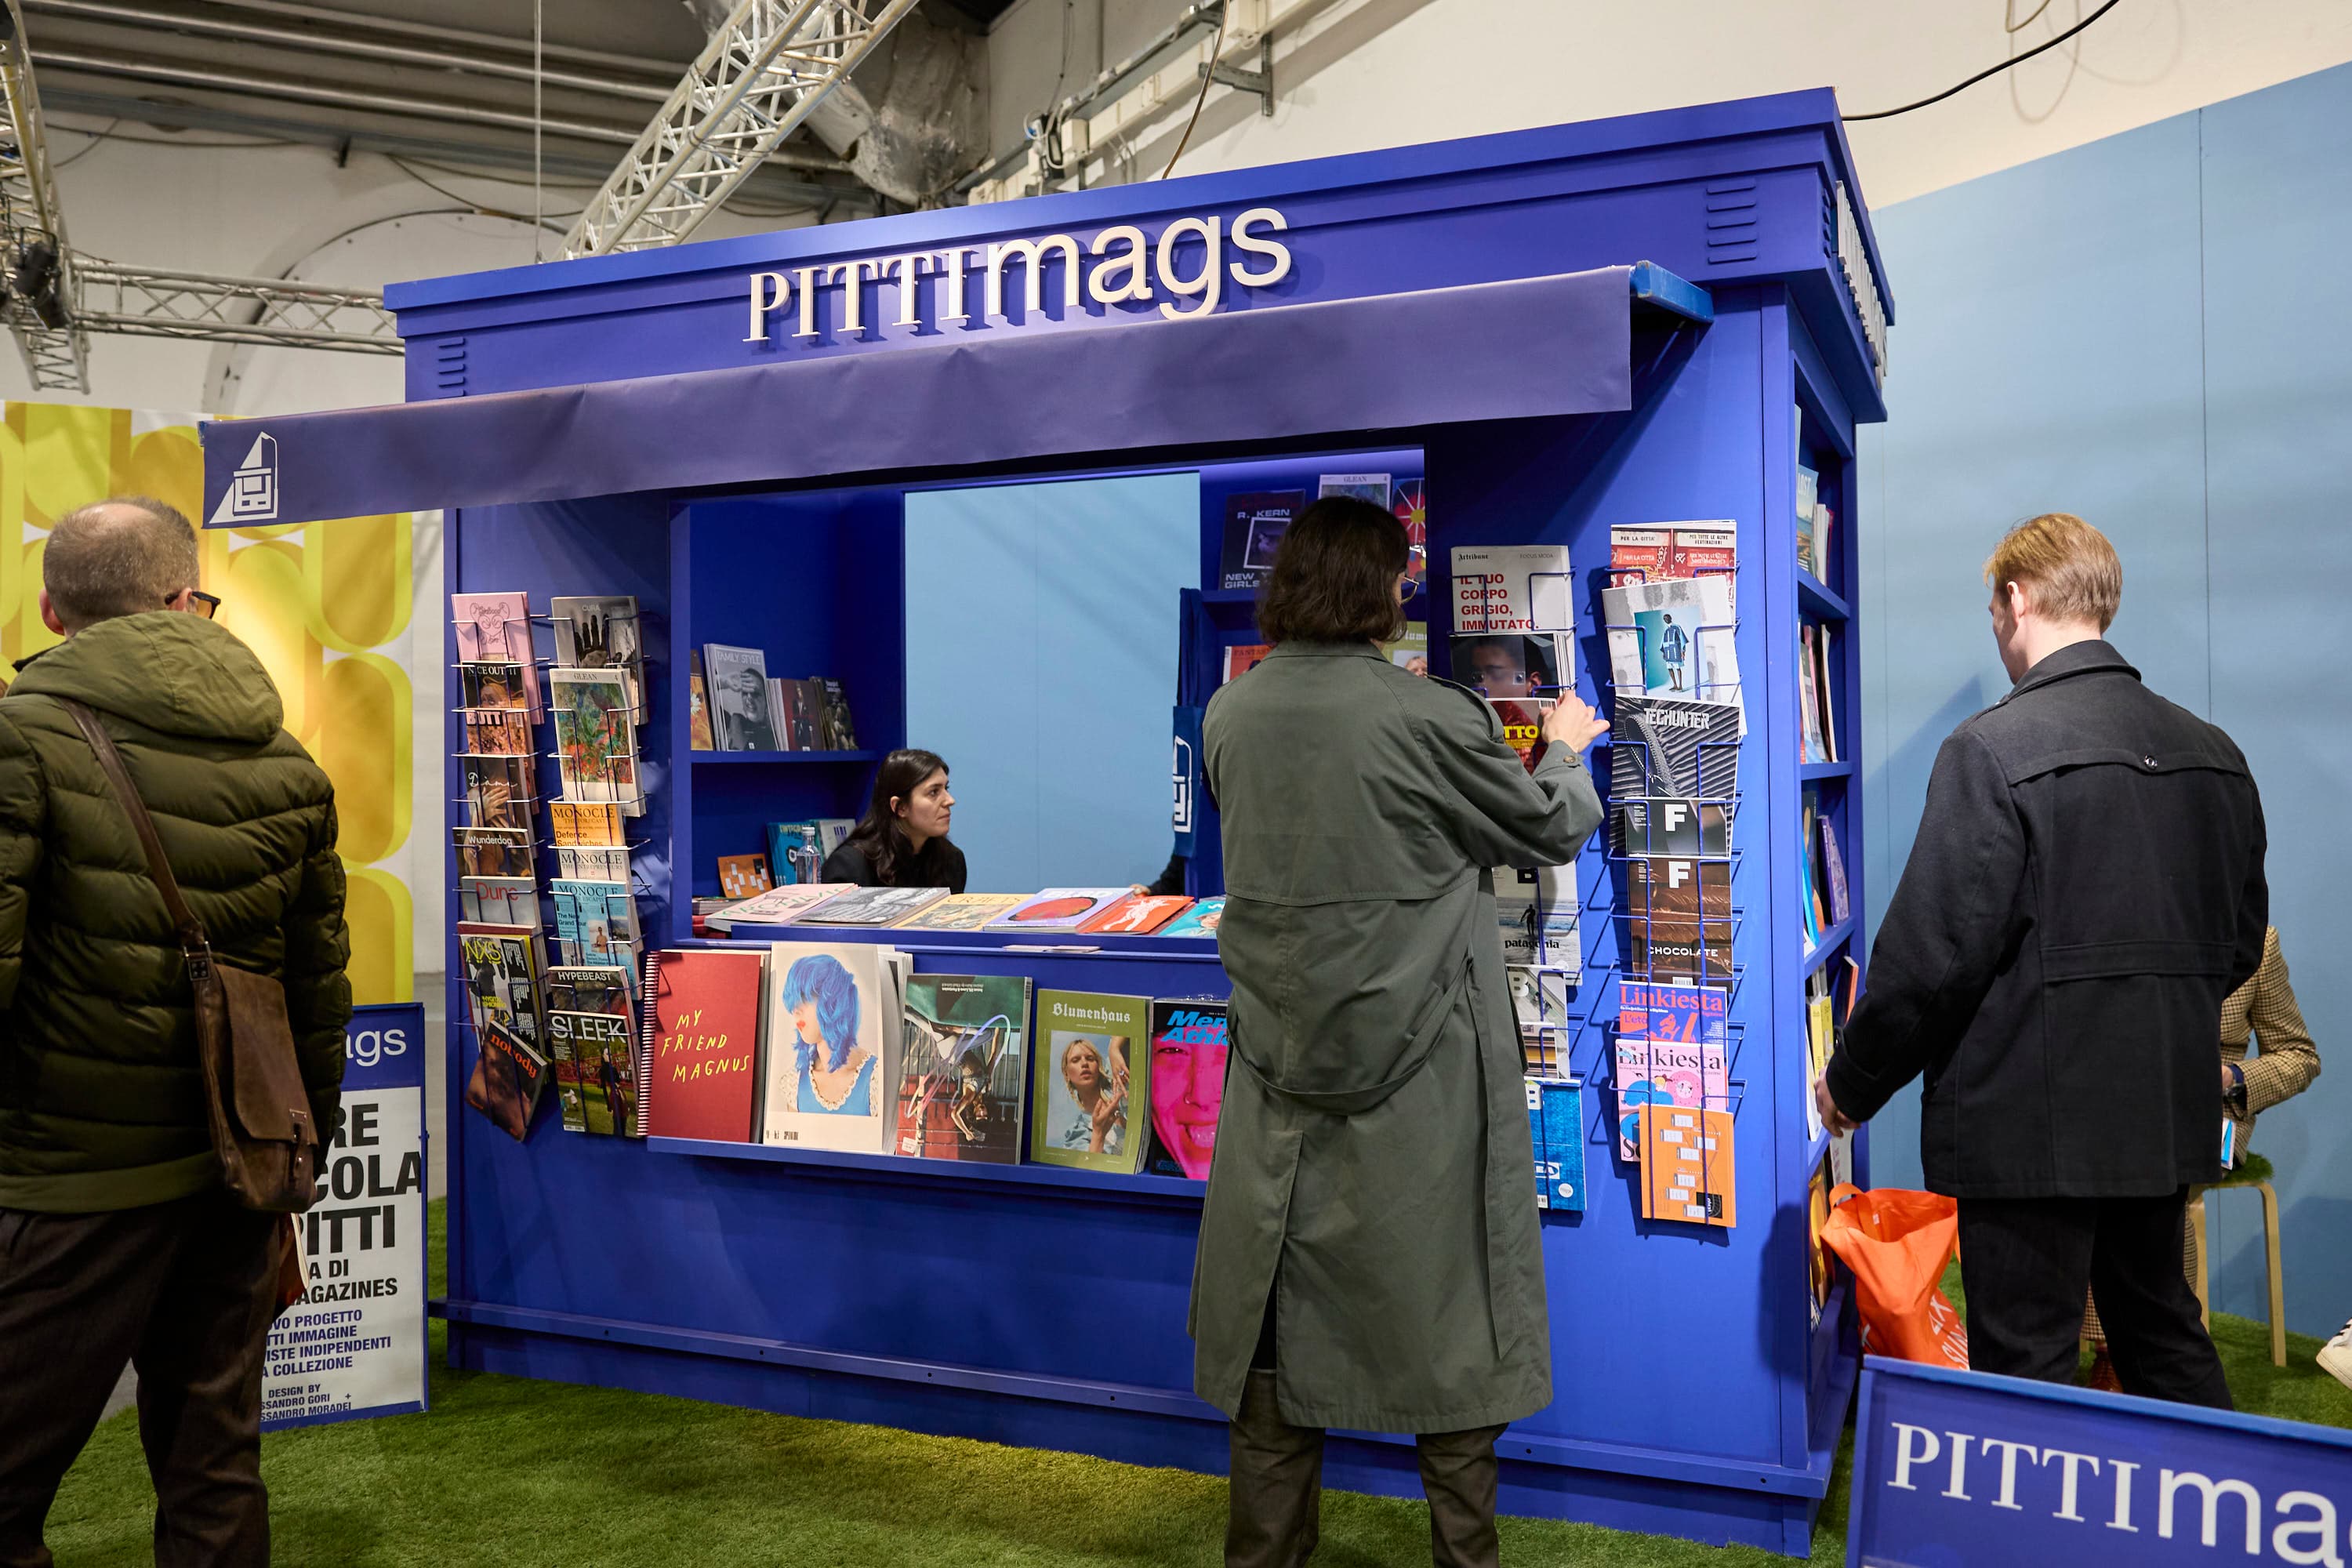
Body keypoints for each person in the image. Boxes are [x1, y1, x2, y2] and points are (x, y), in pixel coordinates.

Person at [1196, 495, 1606, 1568]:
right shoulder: (1431, 716)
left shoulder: (1230, 713)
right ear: (1379, 590)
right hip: (1425, 1083)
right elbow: (1544, 826)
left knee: (1273, 1342)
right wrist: (1565, 747)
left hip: (1276, 1073)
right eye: (1398, 577)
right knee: (1453, 1327)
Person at [1817, 513, 2267, 1410]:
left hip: (2025, 1132)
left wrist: (1852, 1083)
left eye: (1993, 608)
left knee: (2026, 1377)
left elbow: (1932, 959)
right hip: (2160, 1113)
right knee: (2163, 1336)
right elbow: (2236, 946)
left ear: (2017, 599)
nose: (1995, 625)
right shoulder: (2217, 758)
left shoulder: (1991, 749)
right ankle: (2220, 1502)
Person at [0, 496, 353, 1566]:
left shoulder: (20, 739)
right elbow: (315, 997)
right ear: (189, 599)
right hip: (237, 1171)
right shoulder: (287, 761)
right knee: (213, 1472)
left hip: (67, 1180)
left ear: (51, 611)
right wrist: (293, 1159)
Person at [2082, 924, 2320, 1385]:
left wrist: (2232, 1077)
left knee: (2147, 1171)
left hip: (2210, 1116)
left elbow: (2299, 1055)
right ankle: (2142, 1341)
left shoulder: (2256, 941)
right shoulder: (2119, 925)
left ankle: (2131, 1347)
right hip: (2115, 1102)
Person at [822, 748, 967, 893]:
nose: (950, 800)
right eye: (933, 792)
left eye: (946, 788)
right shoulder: (850, 866)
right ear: (900, 807)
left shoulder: (951, 861)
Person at [782, 953, 874, 1116]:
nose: (795, 1010)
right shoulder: (795, 1083)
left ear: (833, 1002)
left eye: (805, 998)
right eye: (794, 1001)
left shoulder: (876, 1079)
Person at [1054, 1038, 1127, 1154]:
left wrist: (1113, 1048)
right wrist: (1099, 1134)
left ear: (1098, 1066)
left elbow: (1127, 1030)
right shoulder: (1078, 1133)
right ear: (1067, 1074)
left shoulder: (1116, 1079)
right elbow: (1085, 1165)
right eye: (1075, 1060)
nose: (1084, 1064)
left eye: (1090, 1058)